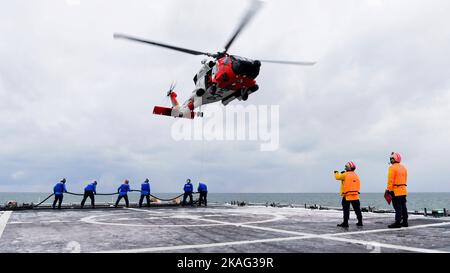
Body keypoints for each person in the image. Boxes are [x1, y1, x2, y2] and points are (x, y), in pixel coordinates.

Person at [334, 161, 363, 228]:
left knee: (346, 210)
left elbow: (337, 177)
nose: (345, 168)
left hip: (347, 196)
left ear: (349, 168)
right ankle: (360, 222)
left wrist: (336, 172)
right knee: (357, 210)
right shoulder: (356, 175)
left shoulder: (345, 174)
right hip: (355, 195)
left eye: (346, 167)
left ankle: (345, 223)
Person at [386, 152, 408, 228]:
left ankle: (397, 222)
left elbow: (390, 180)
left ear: (394, 159)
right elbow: (405, 179)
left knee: (398, 207)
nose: (390, 160)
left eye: (391, 159)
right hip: (403, 190)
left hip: (396, 191)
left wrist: (389, 190)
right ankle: (405, 222)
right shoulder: (403, 168)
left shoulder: (392, 168)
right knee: (403, 207)